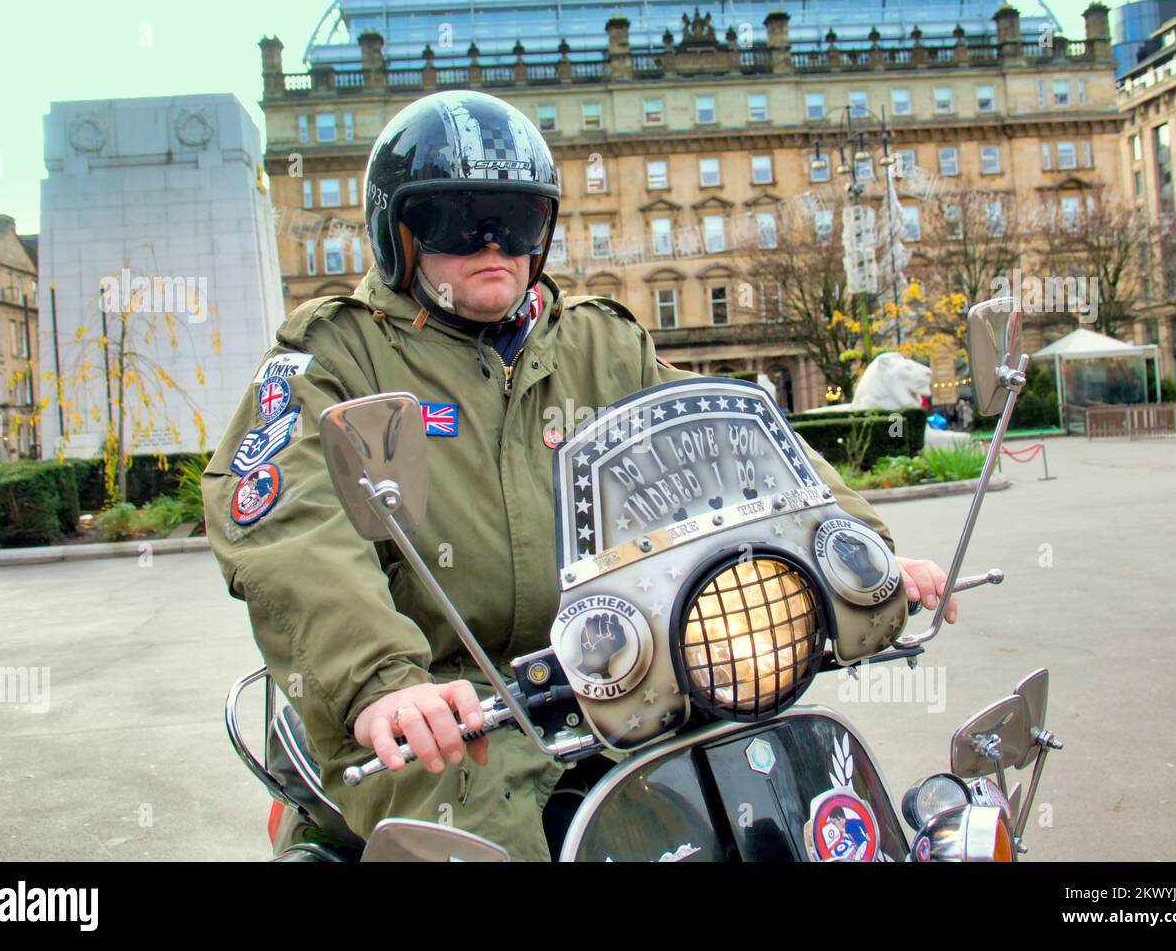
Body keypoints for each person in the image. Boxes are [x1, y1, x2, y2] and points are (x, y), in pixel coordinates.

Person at [201, 89, 957, 861]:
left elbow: (737, 441)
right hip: (449, 710)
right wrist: (380, 679)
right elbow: (287, 517)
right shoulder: (333, 359)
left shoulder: (597, 344)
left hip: (623, 671)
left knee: (770, 801)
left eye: (518, 219)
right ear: (398, 231)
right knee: (490, 842)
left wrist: (856, 546)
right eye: (459, 220)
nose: (493, 241)